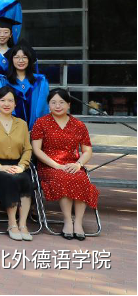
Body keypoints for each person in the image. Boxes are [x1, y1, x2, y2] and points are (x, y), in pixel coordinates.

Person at [31, 88, 99, 241]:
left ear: (69, 104)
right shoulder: (41, 123)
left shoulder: (78, 125)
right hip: (49, 165)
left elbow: (87, 150)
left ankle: (78, 222)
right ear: (48, 105)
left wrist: (78, 164)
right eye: (53, 102)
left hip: (73, 164)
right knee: (63, 178)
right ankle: (68, 221)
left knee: (81, 179)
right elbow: (37, 150)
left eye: (61, 102)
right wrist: (56, 165)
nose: (57, 106)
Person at [0, 86, 35, 241]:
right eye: (3, 100)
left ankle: (22, 224)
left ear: (15, 103)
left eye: (10, 100)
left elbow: (27, 149)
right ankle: (12, 223)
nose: (6, 104)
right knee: (9, 179)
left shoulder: (22, 124)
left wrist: (22, 166)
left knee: (24, 179)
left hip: (17, 165)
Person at [0, 41, 49, 127]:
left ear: (29, 59)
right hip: (11, 128)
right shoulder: (4, 82)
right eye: (16, 57)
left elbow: (42, 107)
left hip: (35, 128)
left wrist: (36, 128)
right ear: (11, 60)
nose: (20, 61)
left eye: (24, 57)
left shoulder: (40, 81)